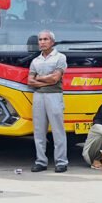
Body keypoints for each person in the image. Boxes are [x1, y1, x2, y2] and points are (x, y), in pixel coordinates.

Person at [29, 30, 68, 173]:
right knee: (39, 131)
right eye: (40, 39)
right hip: (38, 97)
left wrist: (39, 78)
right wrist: (47, 79)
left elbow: (55, 79)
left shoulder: (60, 57)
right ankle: (40, 161)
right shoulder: (35, 61)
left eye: (45, 39)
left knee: (58, 130)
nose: (42, 42)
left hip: (54, 96)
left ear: (52, 42)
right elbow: (30, 81)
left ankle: (61, 162)